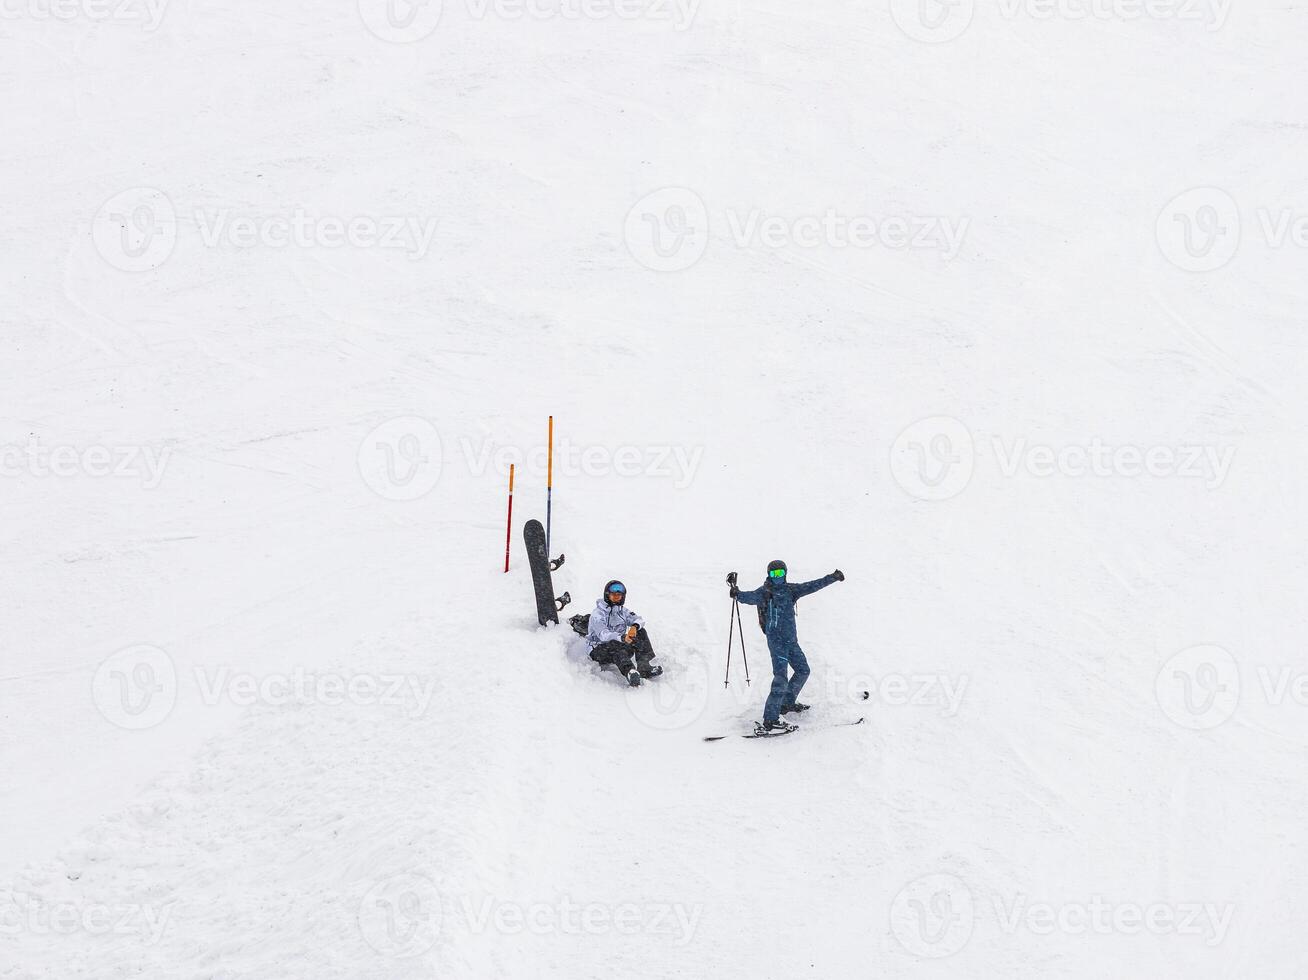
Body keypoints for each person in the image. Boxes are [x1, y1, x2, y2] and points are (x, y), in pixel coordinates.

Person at [731, 561, 844, 731]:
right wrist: (736, 593)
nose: (777, 577)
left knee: (803, 670)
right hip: (777, 643)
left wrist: (833, 578)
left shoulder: (791, 590)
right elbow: (748, 597)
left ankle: (787, 703)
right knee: (780, 678)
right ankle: (771, 719)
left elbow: (812, 586)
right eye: (774, 574)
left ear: (785, 573)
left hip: (791, 641)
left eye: (780, 573)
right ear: (769, 575)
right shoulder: (764, 592)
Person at [586, 580, 663, 686]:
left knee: (640, 631)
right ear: (607, 595)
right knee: (614, 644)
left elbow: (638, 619)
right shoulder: (598, 614)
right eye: (614, 595)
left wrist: (634, 627)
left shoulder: (622, 611)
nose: (617, 597)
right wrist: (622, 637)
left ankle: (644, 666)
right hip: (598, 651)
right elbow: (603, 635)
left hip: (620, 645)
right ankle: (630, 672)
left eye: (619, 595)